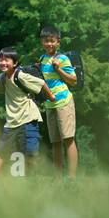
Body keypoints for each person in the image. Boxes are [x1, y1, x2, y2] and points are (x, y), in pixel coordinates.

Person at [0, 48, 51, 177]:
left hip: (28, 118)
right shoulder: (3, 77)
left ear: (15, 63)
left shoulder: (20, 75)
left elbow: (41, 83)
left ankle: (31, 179)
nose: (2, 62)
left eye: (6, 60)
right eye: (0, 60)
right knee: (3, 152)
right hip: (12, 122)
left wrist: (51, 97)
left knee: (30, 151)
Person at [37, 24, 78, 178]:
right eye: (46, 41)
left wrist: (58, 68)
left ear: (58, 42)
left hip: (64, 102)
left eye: (52, 41)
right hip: (49, 104)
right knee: (55, 142)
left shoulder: (62, 59)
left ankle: (72, 178)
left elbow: (73, 80)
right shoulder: (42, 59)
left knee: (68, 139)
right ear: (42, 42)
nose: (49, 44)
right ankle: (58, 178)